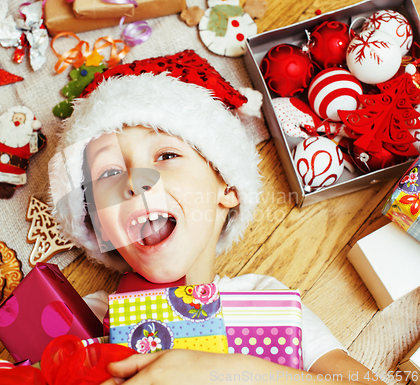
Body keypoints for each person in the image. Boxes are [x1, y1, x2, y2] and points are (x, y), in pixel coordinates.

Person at [48, 50, 384, 384]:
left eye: (166, 154)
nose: (136, 180)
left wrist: (226, 373)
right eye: (109, 173)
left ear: (229, 188)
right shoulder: (80, 321)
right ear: (97, 224)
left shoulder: (261, 299)